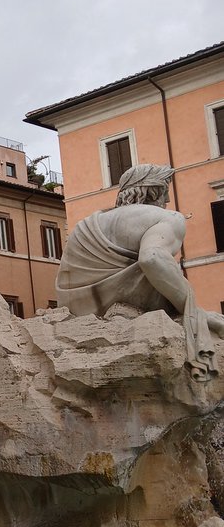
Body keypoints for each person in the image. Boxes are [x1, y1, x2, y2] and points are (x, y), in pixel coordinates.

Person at [56, 163, 224, 380]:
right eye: (166, 191)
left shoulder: (83, 226)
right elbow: (152, 258)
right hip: (138, 310)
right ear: (155, 190)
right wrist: (195, 313)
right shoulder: (167, 218)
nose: (167, 201)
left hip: (81, 315)